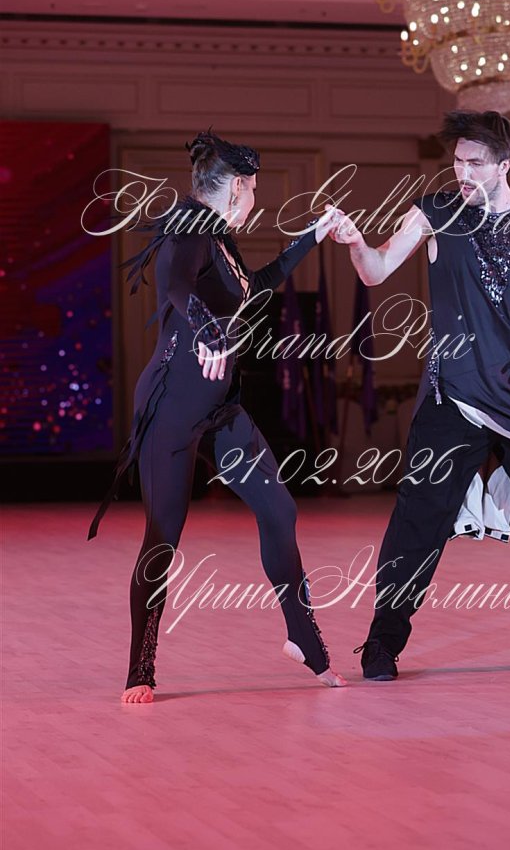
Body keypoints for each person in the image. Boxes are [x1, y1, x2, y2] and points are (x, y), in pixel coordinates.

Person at [331, 109, 510, 678]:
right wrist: (356, 243)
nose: (462, 172)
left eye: (476, 163)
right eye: (458, 161)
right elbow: (377, 270)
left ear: (505, 164)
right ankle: (383, 642)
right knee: (419, 519)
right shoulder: (435, 212)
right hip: (455, 391)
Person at [89, 131, 346, 701]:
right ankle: (140, 669)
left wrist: (312, 235)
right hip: (170, 410)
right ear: (235, 186)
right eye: (253, 188)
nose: (256, 198)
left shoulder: (220, 239)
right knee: (163, 539)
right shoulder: (187, 227)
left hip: (221, 409)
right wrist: (206, 328)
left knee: (279, 509)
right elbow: (176, 286)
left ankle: (302, 638)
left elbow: (257, 287)